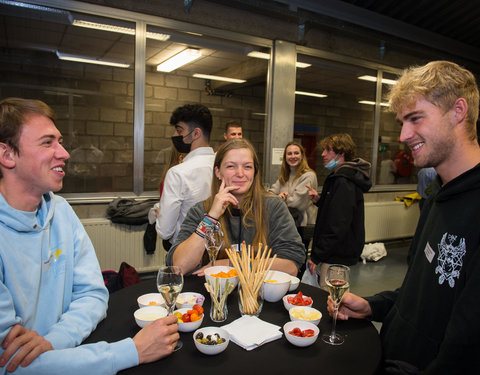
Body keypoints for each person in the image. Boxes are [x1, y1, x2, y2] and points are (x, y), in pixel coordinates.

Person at [0, 98, 179, 374]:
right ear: (7, 155)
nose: (64, 153)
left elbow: (93, 294)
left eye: (59, 141)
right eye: (47, 143)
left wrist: (51, 342)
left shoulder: (60, 211)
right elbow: (12, 365)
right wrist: (131, 351)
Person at [330, 61, 480, 374]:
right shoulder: (437, 196)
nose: (402, 135)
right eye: (401, 121)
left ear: (458, 111)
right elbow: (420, 292)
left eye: (415, 119)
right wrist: (375, 305)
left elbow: (466, 347)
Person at [166, 139, 306, 276]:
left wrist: (231, 264)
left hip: (259, 296)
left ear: (255, 172)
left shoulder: (274, 207)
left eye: (247, 167)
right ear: (218, 172)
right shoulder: (201, 210)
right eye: (231, 166)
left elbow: (291, 265)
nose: (240, 173)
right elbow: (179, 266)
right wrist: (211, 217)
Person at [306, 133, 371, 290]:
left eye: (328, 150)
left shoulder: (344, 181)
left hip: (336, 255)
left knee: (332, 301)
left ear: (341, 153)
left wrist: (316, 256)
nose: (323, 154)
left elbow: (338, 225)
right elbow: (337, 210)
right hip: (333, 252)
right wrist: (320, 201)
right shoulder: (339, 177)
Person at [155, 104, 215, 247]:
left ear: (196, 133)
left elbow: (165, 231)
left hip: (185, 250)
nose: (175, 136)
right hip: (216, 248)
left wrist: (160, 215)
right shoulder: (223, 166)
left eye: (179, 130)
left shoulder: (177, 173)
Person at [269, 141, 317, 258]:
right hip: (286, 222)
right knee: (285, 256)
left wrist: (281, 199)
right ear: (285, 157)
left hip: (302, 225)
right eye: (289, 154)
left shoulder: (308, 175)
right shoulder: (284, 176)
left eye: (296, 153)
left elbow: (296, 203)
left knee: (298, 258)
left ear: (302, 156)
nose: (293, 156)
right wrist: (278, 196)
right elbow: (270, 194)